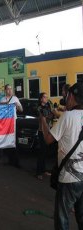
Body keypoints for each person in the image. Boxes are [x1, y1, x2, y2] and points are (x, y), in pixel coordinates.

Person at [41, 83, 83, 230]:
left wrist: (43, 121)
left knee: (62, 218)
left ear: (71, 96)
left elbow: (48, 139)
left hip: (69, 178)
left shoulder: (68, 117)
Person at [0, 84, 23, 168]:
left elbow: (21, 109)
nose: (9, 90)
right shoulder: (2, 99)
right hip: (6, 122)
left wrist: (17, 105)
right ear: (5, 90)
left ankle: (16, 162)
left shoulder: (15, 98)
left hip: (13, 122)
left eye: (10, 89)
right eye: (7, 89)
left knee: (15, 141)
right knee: (7, 141)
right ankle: (10, 160)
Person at [36, 93, 56, 180]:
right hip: (42, 132)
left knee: (45, 152)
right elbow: (43, 118)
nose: (46, 98)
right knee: (42, 152)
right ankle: (38, 172)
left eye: (47, 97)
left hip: (48, 131)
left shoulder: (48, 106)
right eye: (44, 97)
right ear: (41, 99)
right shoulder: (39, 108)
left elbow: (51, 116)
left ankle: (43, 170)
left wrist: (53, 112)